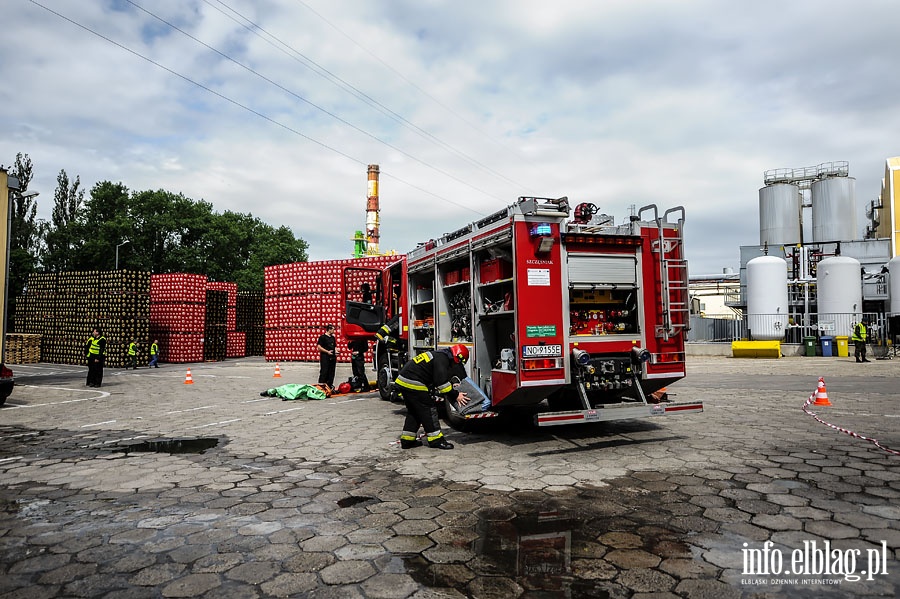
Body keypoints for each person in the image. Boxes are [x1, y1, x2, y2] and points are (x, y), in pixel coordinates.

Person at [395, 344, 470, 450]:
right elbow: (442, 385)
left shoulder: (440, 356)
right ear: (456, 358)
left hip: (404, 381)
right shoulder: (442, 360)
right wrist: (456, 395)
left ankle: (407, 441)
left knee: (415, 412)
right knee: (428, 410)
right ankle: (436, 440)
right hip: (413, 383)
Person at [317, 324, 337, 388]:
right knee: (324, 371)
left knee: (331, 372)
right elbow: (319, 347)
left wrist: (336, 351)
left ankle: (329, 385)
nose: (334, 331)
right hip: (325, 357)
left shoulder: (333, 338)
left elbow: (335, 346)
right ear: (329, 329)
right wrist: (327, 352)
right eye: (333, 329)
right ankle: (322, 385)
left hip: (332, 357)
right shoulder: (322, 337)